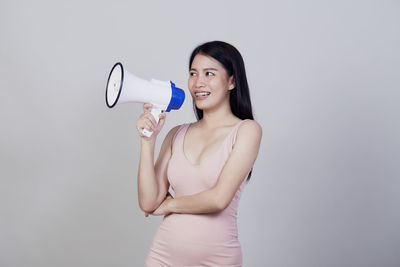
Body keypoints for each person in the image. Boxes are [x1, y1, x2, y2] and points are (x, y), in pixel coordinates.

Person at [136, 41, 262, 266]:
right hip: (163, 256)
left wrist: (170, 205)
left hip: (217, 260)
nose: (198, 82)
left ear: (232, 81)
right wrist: (148, 140)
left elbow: (218, 199)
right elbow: (148, 202)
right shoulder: (176, 134)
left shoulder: (247, 131)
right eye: (193, 73)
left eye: (209, 73)